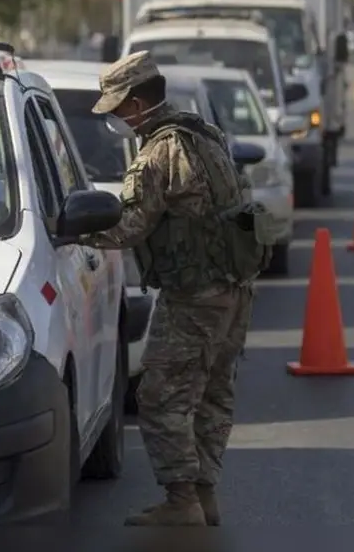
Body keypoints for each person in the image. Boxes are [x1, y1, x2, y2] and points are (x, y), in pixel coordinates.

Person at [78, 50, 263, 526]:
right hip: (236, 287)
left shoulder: (157, 151)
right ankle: (205, 493)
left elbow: (130, 227)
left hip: (194, 295)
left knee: (160, 396)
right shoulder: (205, 132)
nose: (117, 117)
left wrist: (74, 231)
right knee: (213, 392)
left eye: (119, 107)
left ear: (138, 102)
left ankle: (182, 500)